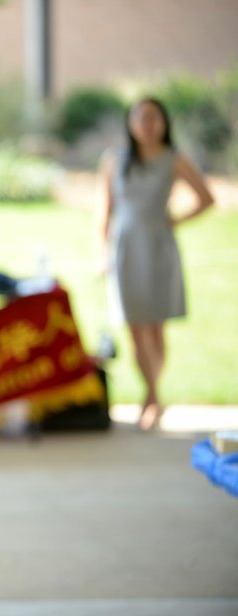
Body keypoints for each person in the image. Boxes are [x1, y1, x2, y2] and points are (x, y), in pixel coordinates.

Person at [98, 97, 213, 430]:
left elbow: (206, 199)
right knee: (135, 326)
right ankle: (152, 395)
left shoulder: (173, 159)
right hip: (125, 249)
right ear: (130, 123)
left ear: (163, 122)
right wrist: (101, 251)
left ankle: (152, 396)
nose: (147, 124)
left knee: (156, 326)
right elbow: (103, 209)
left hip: (158, 248)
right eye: (141, 117)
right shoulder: (114, 160)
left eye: (153, 117)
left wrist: (176, 220)